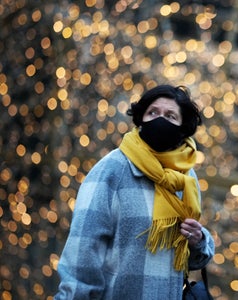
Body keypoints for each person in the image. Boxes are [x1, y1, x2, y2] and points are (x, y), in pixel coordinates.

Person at [55, 85, 215, 299]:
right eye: (153, 113)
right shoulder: (113, 169)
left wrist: (198, 241)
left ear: (182, 127)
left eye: (170, 116)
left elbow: (191, 260)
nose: (160, 120)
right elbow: (83, 252)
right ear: (141, 119)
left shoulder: (186, 177)